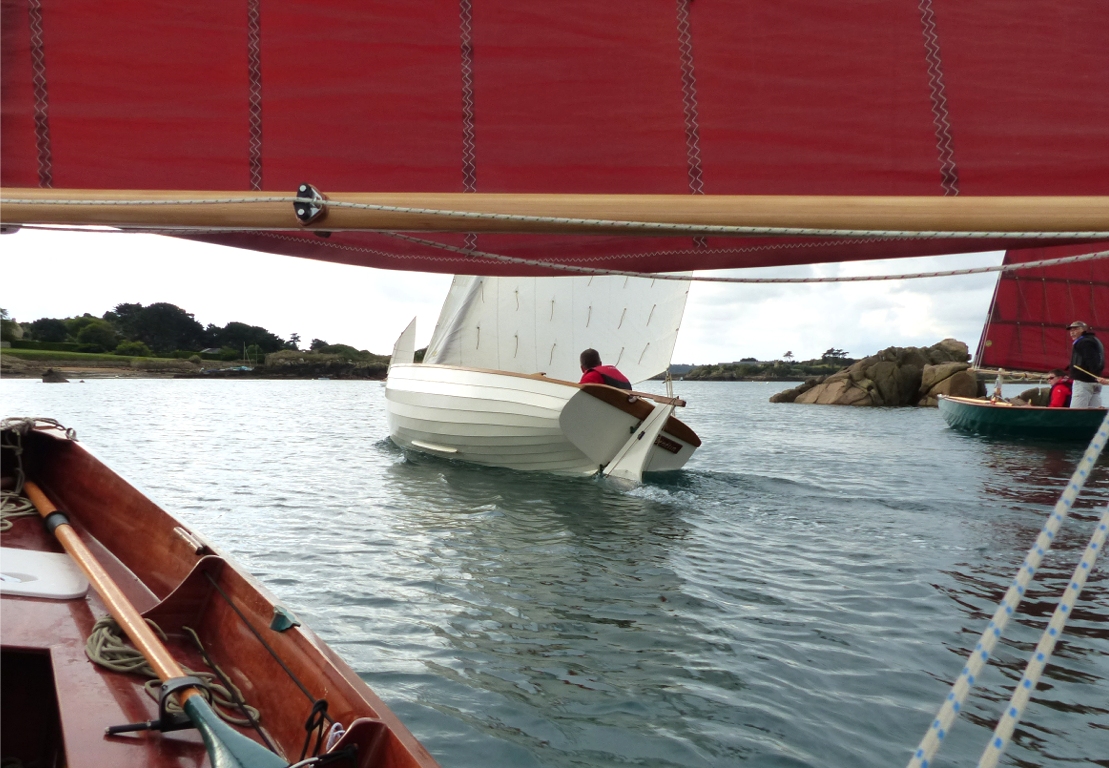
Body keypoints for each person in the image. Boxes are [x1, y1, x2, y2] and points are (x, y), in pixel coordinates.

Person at [1066, 321, 1105, 408]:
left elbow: (1091, 359)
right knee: (1094, 413)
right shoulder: (1095, 340)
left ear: (1084, 330)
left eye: (1076, 329)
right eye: (1071, 330)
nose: (1072, 332)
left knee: (1077, 412)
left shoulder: (1083, 342)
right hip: (1096, 382)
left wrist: (1092, 372)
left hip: (1083, 382)